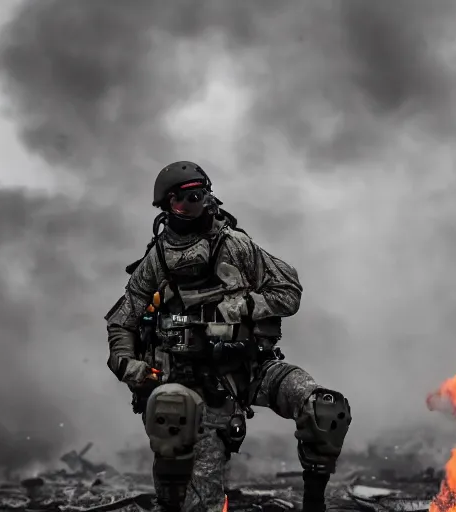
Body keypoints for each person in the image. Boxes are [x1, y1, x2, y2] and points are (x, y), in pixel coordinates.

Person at [104, 161, 351, 512]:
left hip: (250, 369)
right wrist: (128, 365)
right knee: (184, 449)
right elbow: (122, 321)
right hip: (191, 384)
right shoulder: (156, 260)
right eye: (184, 200)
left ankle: (315, 505)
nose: (196, 205)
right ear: (166, 207)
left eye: (200, 195)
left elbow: (289, 293)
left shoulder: (237, 246)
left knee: (325, 409)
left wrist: (246, 306)